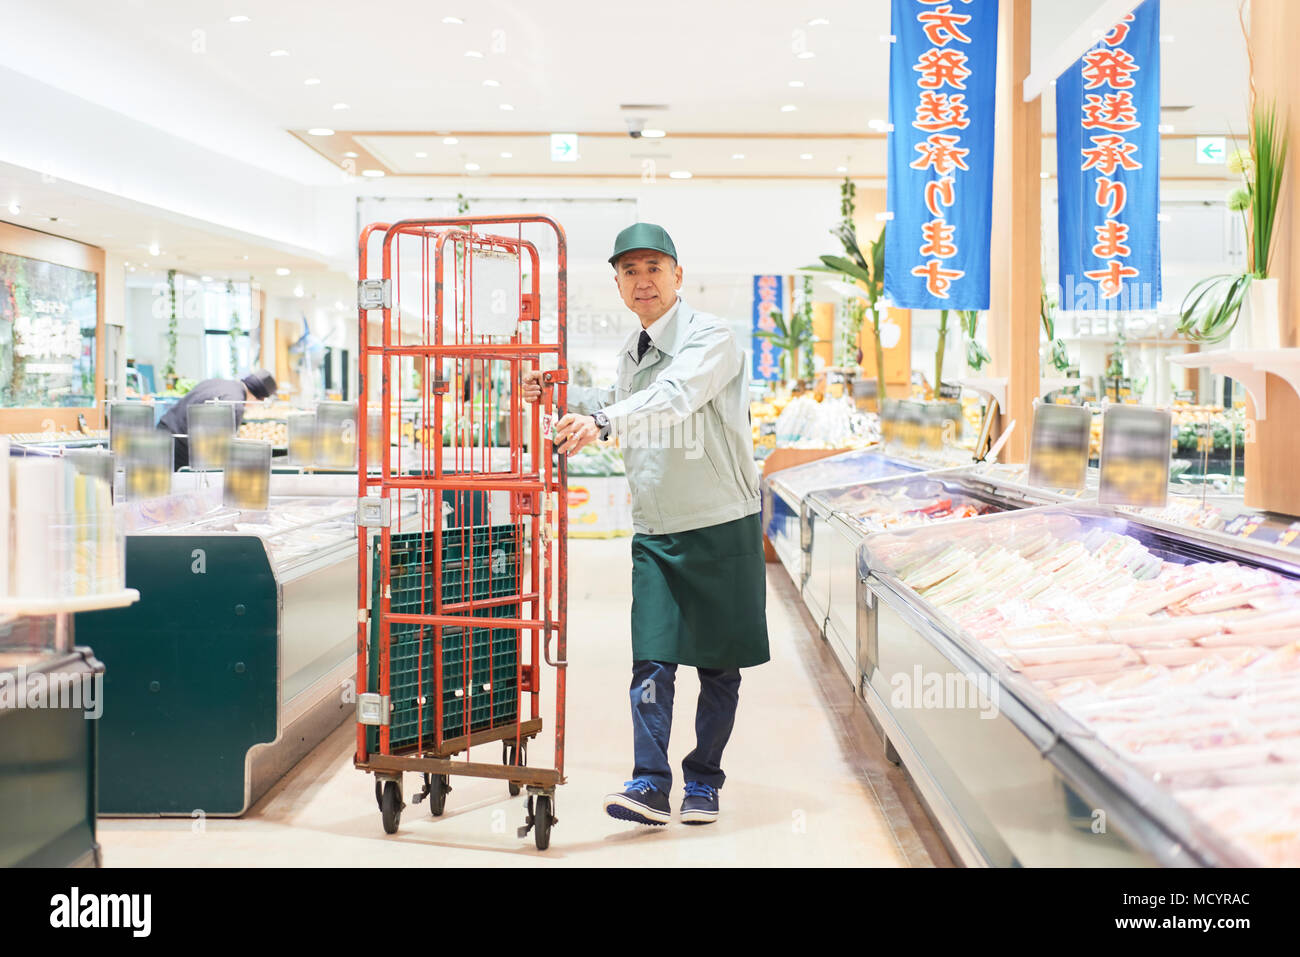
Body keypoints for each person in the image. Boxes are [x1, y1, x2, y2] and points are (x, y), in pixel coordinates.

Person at [522, 222, 769, 827]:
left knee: (718, 663)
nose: (643, 280)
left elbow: (676, 396)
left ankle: (704, 781)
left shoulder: (713, 336)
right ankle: (650, 781)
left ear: (678, 276)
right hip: (656, 530)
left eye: (654, 267)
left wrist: (602, 420)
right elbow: (622, 398)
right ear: (619, 285)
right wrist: (564, 400)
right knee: (652, 658)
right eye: (629, 271)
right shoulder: (631, 352)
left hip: (721, 522)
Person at [156, 370, 277, 469]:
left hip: (163, 429)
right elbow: (219, 447)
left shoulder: (217, 383)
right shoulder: (235, 403)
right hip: (178, 445)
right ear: (257, 399)